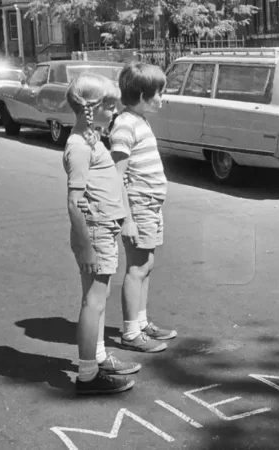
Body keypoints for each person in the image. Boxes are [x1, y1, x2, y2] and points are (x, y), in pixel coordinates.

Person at [63, 72, 140, 394]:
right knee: (93, 301)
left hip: (103, 229)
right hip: (93, 233)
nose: (115, 112)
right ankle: (87, 376)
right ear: (90, 108)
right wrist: (86, 247)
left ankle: (96, 358)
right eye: (109, 107)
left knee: (98, 298)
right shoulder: (79, 147)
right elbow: (74, 202)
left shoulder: (92, 139)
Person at [110, 62, 173, 353]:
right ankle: (130, 332)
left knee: (146, 265)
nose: (162, 98)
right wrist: (127, 220)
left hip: (151, 205)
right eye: (158, 93)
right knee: (136, 268)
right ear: (141, 95)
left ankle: (142, 322)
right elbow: (118, 176)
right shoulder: (125, 126)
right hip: (138, 207)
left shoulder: (139, 120)